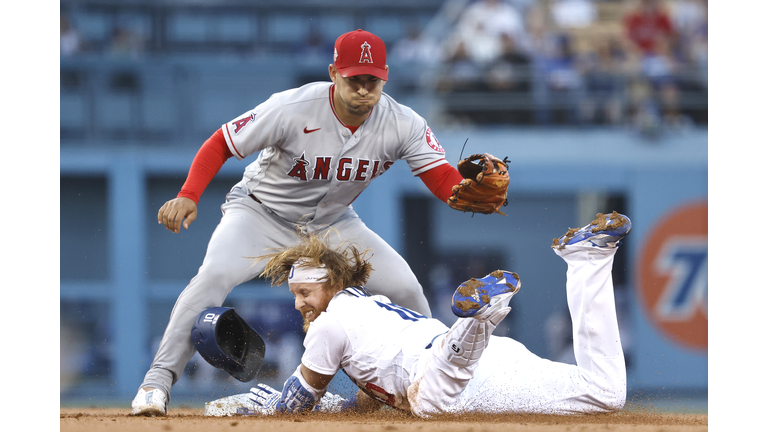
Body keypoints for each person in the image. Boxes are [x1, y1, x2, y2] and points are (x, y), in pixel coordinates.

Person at [131, 29, 484, 416]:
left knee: (406, 289)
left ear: (384, 78)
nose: (364, 89)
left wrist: (464, 192)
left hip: (334, 223)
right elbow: (221, 142)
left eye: (373, 80)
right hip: (260, 212)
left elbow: (440, 177)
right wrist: (189, 194)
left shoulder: (403, 123)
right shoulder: (292, 107)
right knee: (213, 276)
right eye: (354, 79)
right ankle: (156, 383)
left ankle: (428, 385)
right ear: (334, 72)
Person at [205, 211, 630, 417]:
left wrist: (259, 404)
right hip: (486, 363)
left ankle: (482, 313)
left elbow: (291, 412)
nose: (299, 303)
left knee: (434, 400)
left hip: (443, 375)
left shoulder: (329, 323)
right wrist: (339, 407)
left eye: (304, 292)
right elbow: (369, 402)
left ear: (332, 285)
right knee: (605, 393)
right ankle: (588, 259)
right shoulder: (370, 306)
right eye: (295, 294)